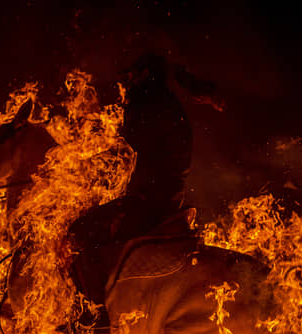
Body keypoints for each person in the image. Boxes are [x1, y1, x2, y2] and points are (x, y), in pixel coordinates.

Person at [67, 53, 223, 311]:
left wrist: (80, 168)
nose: (125, 82)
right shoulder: (163, 100)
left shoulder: (147, 101)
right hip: (163, 194)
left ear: (145, 74)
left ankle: (94, 311)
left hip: (148, 198)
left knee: (80, 232)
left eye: (129, 75)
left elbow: (126, 152)